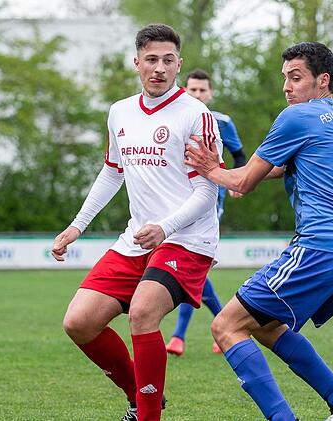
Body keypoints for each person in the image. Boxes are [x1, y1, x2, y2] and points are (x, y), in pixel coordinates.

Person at [185, 42, 333, 421]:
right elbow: (283, 167)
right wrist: (231, 171)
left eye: (296, 77)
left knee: (226, 325)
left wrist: (209, 167)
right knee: (267, 326)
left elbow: (241, 183)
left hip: (320, 247)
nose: (287, 87)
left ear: (323, 81)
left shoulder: (296, 118)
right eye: (284, 78)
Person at [51, 24, 223, 421]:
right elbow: (113, 172)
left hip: (188, 238)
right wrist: (77, 226)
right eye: (151, 60)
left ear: (179, 63)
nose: (159, 68)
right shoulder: (120, 112)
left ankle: (148, 416)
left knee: (143, 312)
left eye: (167, 60)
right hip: (138, 238)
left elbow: (207, 192)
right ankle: (141, 397)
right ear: (137, 63)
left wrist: (165, 228)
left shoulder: (197, 114)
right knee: (79, 322)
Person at [165, 68, 247, 357]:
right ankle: (223, 320)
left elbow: (238, 154)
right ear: (184, 90)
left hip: (211, 199)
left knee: (190, 260)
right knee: (191, 266)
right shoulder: (171, 119)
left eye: (202, 90)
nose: (198, 95)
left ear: (210, 93)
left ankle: (179, 335)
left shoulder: (221, 121)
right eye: (193, 90)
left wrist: (238, 181)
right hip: (175, 199)